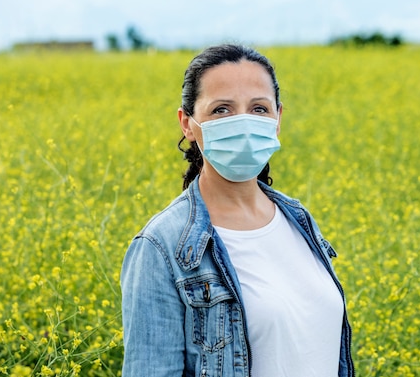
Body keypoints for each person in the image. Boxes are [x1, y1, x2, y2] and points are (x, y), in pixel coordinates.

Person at [120, 44, 354, 377]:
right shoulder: (161, 246)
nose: (243, 123)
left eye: (259, 108)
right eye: (221, 110)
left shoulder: (297, 219)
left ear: (278, 118)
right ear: (187, 123)